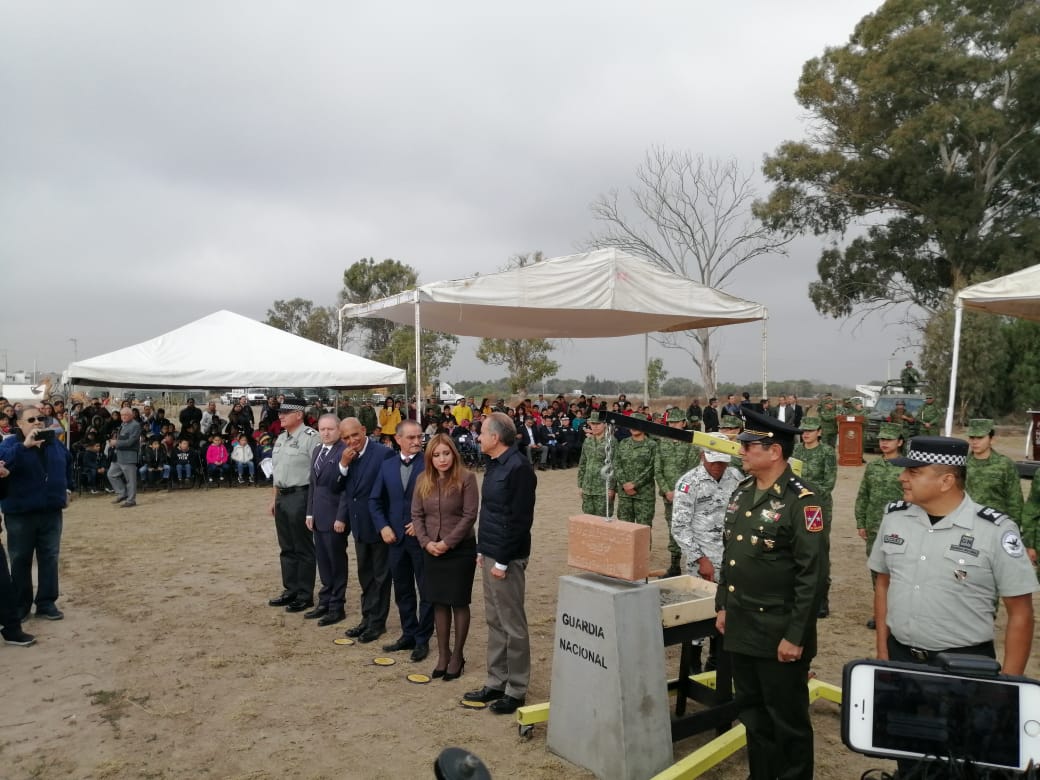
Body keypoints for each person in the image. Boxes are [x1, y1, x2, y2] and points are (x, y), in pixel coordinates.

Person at [714, 408, 827, 780]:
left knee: (787, 720)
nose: (741, 451)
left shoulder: (803, 501)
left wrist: (796, 635)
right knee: (752, 713)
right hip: (742, 624)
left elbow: (812, 576)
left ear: (774, 451)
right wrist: (723, 606)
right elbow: (731, 555)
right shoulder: (743, 491)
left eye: (749, 445)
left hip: (779, 630)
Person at [870, 435, 1037, 679]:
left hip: (966, 665)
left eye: (913, 472)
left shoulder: (995, 530)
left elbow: (1021, 612)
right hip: (900, 658)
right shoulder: (894, 518)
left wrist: (1009, 685)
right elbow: (883, 583)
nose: (902, 478)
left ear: (946, 481)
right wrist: (883, 650)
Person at [464, 412, 537, 715]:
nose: (478, 437)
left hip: (507, 557)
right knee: (495, 621)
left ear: (496, 437)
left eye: (481, 432)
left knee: (513, 625)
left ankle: (516, 689)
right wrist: (483, 549)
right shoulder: (494, 464)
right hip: (492, 552)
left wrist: (504, 561)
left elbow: (519, 521)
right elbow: (491, 513)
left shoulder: (519, 468)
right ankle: (497, 681)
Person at [412, 434, 479, 681]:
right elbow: (416, 515)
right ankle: (443, 654)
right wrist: (427, 543)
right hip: (430, 549)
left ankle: (458, 655)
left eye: (446, 453)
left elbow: (470, 515)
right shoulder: (422, 479)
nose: (442, 459)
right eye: (436, 455)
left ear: (454, 453)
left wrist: (447, 543)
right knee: (438, 602)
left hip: (460, 549)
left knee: (459, 602)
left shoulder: (467, 478)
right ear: (430, 457)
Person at [671, 438, 742, 672]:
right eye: (713, 462)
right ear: (702, 456)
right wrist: (700, 559)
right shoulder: (689, 483)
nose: (718, 466)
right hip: (702, 562)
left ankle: (716, 661)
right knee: (699, 613)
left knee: (725, 613)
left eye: (722, 462)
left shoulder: (736, 477)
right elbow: (679, 527)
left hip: (731, 559)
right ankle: (692, 664)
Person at [0, 406, 74, 622]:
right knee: (20, 559)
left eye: (41, 418)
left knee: (49, 557)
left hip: (51, 511)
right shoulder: (10, 444)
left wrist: (68, 488)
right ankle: (22, 605)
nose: (37, 422)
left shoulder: (54, 444)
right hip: (20, 513)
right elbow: (4, 465)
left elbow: (68, 463)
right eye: (31, 419)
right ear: (20, 424)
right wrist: (25, 446)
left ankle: (46, 602)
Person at [369, 420, 433, 661]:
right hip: (394, 540)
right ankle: (408, 633)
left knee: (426, 590)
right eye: (411, 438)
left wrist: (421, 524)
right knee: (403, 589)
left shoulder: (431, 463)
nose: (417, 441)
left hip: (422, 539)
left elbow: (439, 500)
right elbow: (374, 501)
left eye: (420, 437)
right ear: (398, 439)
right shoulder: (387, 466)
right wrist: (383, 526)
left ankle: (422, 639)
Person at [337, 417, 395, 643]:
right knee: (365, 576)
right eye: (346, 438)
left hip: (380, 527)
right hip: (359, 526)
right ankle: (366, 618)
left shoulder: (383, 453)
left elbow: (390, 492)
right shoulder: (347, 457)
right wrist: (343, 465)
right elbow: (338, 487)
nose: (352, 441)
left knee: (381, 577)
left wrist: (387, 525)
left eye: (355, 435)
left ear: (364, 430)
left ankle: (377, 623)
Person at [267, 397, 320, 613]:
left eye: (285, 412)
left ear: (299, 414)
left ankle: (304, 594)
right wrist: (274, 498)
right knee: (287, 547)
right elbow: (277, 472)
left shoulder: (311, 438)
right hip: (282, 496)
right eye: (280, 412)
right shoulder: (281, 438)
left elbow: (318, 473)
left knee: (303, 547)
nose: (280, 416)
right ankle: (290, 589)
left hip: (301, 495)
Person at [854, 422, 906, 629]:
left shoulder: (908, 467)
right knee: (877, 570)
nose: (884, 443)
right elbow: (863, 495)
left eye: (889, 440)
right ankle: (881, 613)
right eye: (882, 439)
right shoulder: (873, 466)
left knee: (899, 570)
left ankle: (899, 613)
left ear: (900, 442)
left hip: (900, 527)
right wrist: (861, 522)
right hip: (875, 525)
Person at [304, 414, 348, 626]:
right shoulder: (316, 450)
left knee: (336, 562)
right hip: (318, 516)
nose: (326, 433)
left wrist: (341, 517)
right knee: (323, 561)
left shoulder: (344, 452)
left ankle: (337, 606)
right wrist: (309, 512)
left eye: (330, 429)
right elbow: (313, 484)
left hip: (335, 518)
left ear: (339, 430)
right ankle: (325, 601)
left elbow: (346, 489)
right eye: (322, 429)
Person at [791, 416, 837, 618]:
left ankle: (821, 599)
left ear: (819, 431)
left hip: (818, 507)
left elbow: (829, 484)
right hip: (795, 505)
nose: (806, 434)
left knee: (818, 552)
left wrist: (805, 489)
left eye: (810, 430)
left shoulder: (827, 452)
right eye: (803, 430)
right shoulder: (796, 451)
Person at [654, 408, 701, 577]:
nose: (673, 425)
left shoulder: (690, 444)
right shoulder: (662, 442)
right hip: (668, 496)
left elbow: (693, 471)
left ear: (683, 423)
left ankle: (694, 564)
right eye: (670, 422)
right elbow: (657, 469)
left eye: (676, 422)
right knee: (672, 529)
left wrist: (679, 492)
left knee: (689, 529)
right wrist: (667, 490)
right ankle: (674, 565)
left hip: (686, 496)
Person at [965, 418, 1023, 526]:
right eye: (972, 437)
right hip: (967, 521)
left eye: (980, 437)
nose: (975, 442)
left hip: (995, 523)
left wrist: (1013, 527)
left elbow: (1014, 501)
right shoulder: (962, 463)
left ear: (992, 439)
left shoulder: (1004, 464)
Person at [613, 413, 657, 527]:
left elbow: (652, 468)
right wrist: (625, 484)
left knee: (643, 530)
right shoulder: (623, 443)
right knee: (624, 529)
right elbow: (617, 464)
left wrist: (634, 484)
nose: (634, 427)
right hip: (624, 495)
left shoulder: (652, 445)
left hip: (644, 495)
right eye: (631, 424)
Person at [577, 410, 615, 517]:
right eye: (593, 423)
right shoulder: (587, 441)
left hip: (603, 489)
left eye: (598, 423)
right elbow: (583, 463)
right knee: (588, 520)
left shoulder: (611, 441)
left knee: (603, 521)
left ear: (604, 424)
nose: (595, 426)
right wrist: (580, 485)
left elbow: (614, 466)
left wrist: (612, 488)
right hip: (588, 488)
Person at [107, 406, 142, 508]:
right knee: (111, 474)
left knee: (130, 480)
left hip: (129, 456)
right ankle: (122, 493)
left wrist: (116, 442)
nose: (123, 417)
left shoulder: (135, 425)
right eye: (122, 415)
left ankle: (131, 500)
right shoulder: (123, 424)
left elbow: (130, 442)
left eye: (126, 415)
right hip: (119, 456)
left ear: (131, 415)